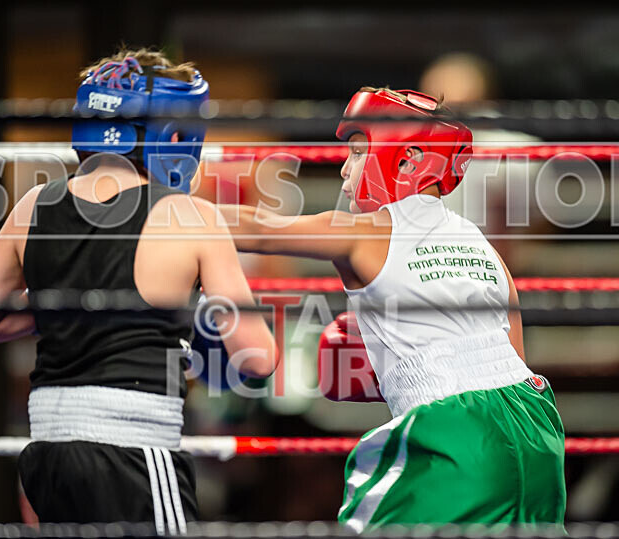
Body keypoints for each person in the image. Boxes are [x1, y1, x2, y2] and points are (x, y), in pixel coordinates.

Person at [0, 48, 277, 531]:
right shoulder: (190, 217)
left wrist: (71, 301)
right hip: (134, 450)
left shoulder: (35, 204)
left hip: (48, 455)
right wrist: (199, 309)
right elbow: (260, 357)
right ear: (170, 132)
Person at [220, 87, 565, 530]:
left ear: (403, 160)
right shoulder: (482, 246)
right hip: (536, 425)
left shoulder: (360, 231)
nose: (344, 167)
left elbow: (257, 230)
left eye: (359, 151)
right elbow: (515, 358)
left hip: (454, 431)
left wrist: (164, 209)